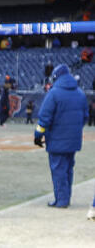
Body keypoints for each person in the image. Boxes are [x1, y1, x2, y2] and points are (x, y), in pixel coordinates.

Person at [34, 64, 88, 208]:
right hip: (73, 140)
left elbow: (44, 118)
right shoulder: (80, 93)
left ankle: (61, 200)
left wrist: (38, 135)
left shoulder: (54, 93)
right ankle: (65, 198)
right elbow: (85, 117)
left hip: (56, 140)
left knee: (58, 170)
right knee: (68, 169)